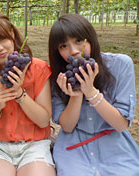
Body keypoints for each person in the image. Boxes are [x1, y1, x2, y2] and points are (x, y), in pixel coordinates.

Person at [48, 14, 139, 176]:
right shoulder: (59, 76)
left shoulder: (120, 65)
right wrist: (76, 95)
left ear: (91, 38)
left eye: (79, 41)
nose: (74, 51)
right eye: (63, 46)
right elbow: (68, 127)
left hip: (114, 142)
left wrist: (91, 93)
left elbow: (121, 125)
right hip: (74, 145)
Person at [0, 11, 56, 176]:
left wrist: (19, 94)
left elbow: (43, 121)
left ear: (12, 34)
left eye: (3, 39)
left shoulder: (37, 68)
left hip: (34, 145)